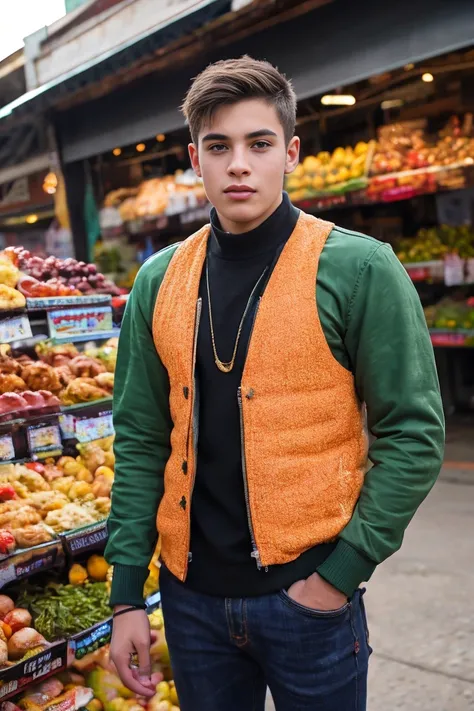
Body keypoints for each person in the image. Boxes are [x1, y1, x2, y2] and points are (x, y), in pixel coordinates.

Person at [105, 56, 445, 710]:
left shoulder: (358, 268)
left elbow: (414, 435)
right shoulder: (158, 283)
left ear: (289, 152)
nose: (239, 164)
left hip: (310, 603)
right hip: (190, 601)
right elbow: (143, 440)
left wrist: (338, 576)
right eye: (219, 146)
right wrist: (126, 596)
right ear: (194, 158)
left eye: (259, 144)